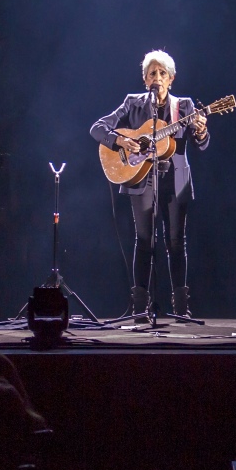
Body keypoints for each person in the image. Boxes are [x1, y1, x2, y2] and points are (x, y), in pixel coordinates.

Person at [90, 50, 209, 320]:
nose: (157, 78)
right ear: (145, 80)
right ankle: (139, 308)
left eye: (162, 73)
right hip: (141, 178)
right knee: (144, 241)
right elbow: (97, 128)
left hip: (175, 180)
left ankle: (181, 309)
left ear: (171, 79)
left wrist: (201, 130)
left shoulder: (186, 107)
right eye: (152, 73)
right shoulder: (132, 104)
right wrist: (121, 141)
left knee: (176, 242)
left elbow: (202, 143)